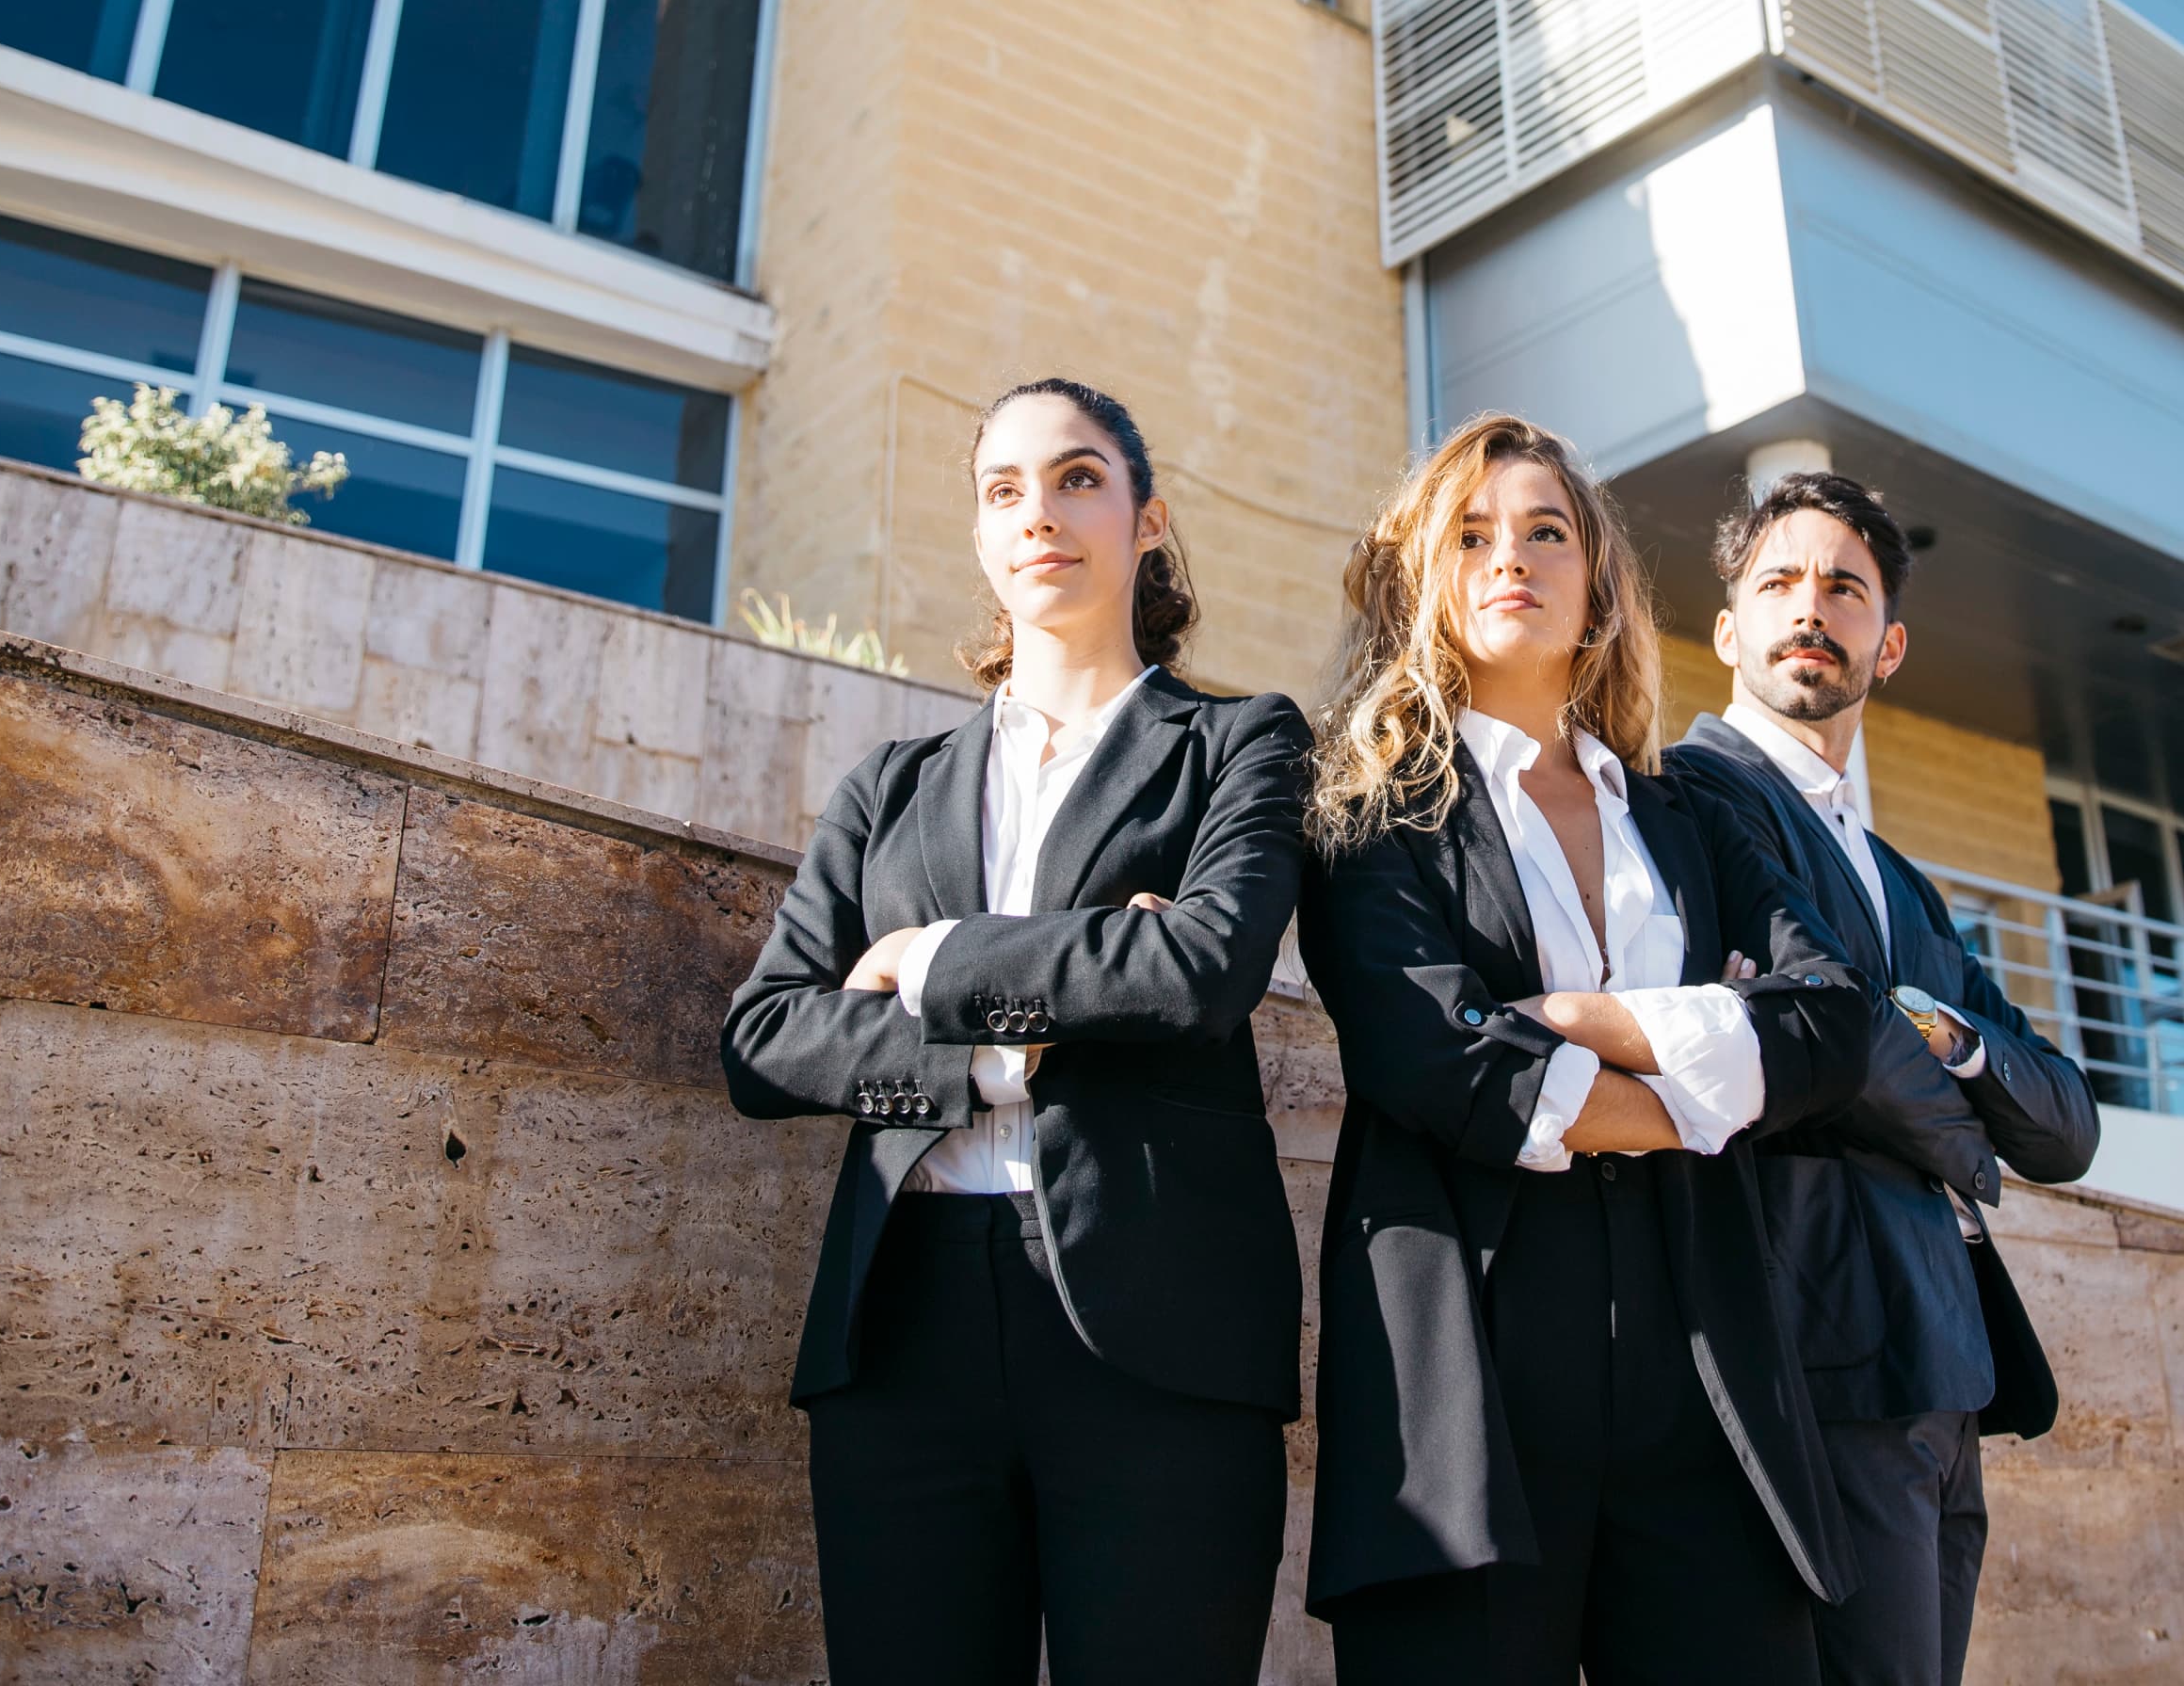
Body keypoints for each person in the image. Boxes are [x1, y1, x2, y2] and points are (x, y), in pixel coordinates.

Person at [719, 378, 1307, 1686]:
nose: (1040, 512)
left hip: (1161, 1329)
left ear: (1145, 522)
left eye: (1079, 479)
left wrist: (932, 959)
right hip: (904, 1324)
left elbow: (1201, 968)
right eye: (1005, 490)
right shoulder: (891, 788)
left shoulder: (1240, 744)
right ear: (982, 537)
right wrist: (1009, 1041)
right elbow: (764, 1039)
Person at [1300, 410, 1874, 1685]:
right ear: (1425, 581)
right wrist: (1712, 1086)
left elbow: (1834, 1020)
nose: (1514, 556)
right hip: (1473, 1368)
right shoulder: (1369, 810)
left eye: (1547, 531)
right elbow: (1437, 1062)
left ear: (1600, 584)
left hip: (1706, 1356)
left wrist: (1589, 1022)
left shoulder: (1691, 811)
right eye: (1473, 533)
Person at [1663, 469, 2097, 1686]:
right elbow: (1838, 1038)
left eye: (1845, 587)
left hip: (1947, 1364)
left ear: (1889, 643)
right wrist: (1966, 1141)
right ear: (1727, 628)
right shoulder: (1698, 795)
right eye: (1780, 583)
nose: (1813, 606)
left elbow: (2066, 1124)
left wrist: (1953, 1043)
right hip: (1823, 1334)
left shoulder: (1908, 883)